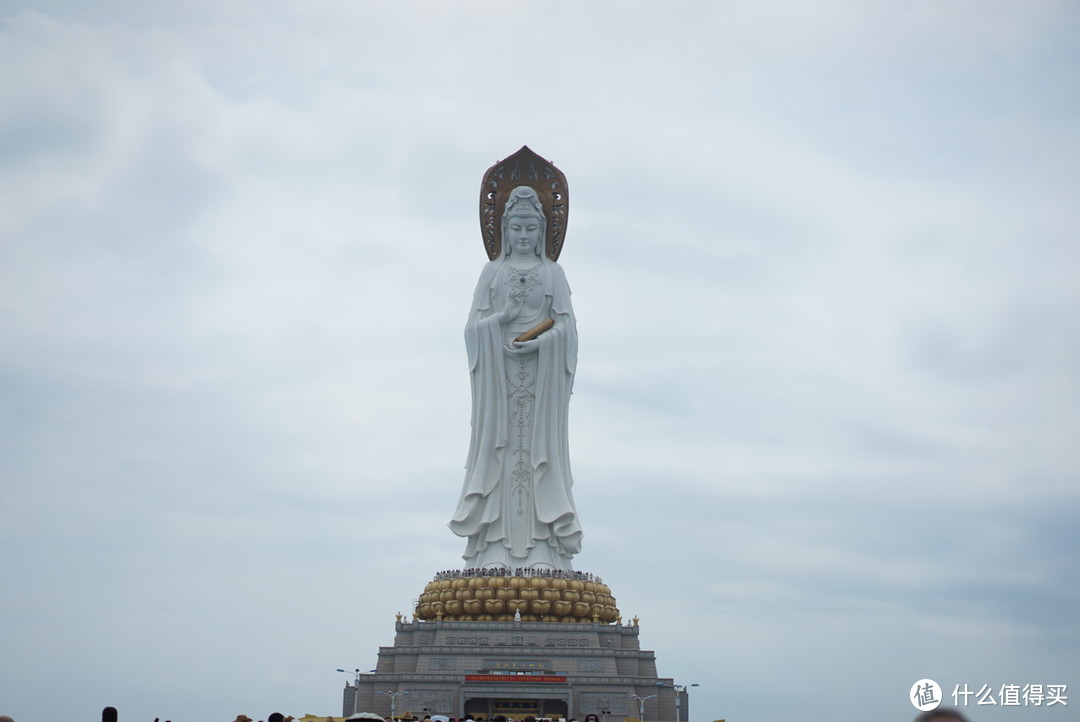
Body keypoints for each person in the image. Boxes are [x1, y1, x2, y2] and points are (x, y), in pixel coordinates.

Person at [449, 184, 583, 570]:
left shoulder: (553, 273)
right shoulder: (491, 272)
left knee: (539, 455)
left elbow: (568, 331)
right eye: (516, 229)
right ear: (504, 230)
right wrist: (503, 320)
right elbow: (473, 330)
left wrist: (544, 343)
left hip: (541, 386)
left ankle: (544, 547)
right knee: (501, 456)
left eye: (530, 229)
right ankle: (493, 546)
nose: (523, 237)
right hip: (500, 384)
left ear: (542, 232)